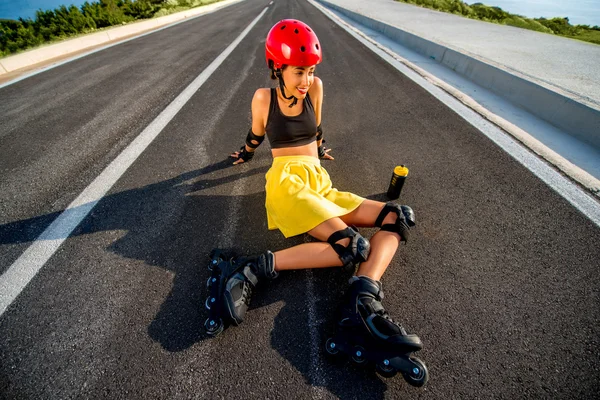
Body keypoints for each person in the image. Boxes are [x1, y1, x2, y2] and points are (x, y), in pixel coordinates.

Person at [206, 19, 427, 384]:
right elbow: (257, 134)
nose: (306, 80)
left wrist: (321, 149)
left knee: (397, 217)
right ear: (277, 67)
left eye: (310, 71)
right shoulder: (264, 98)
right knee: (350, 247)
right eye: (299, 72)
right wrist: (244, 154)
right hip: (287, 183)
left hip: (318, 181)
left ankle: (362, 298)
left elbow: (317, 127)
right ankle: (253, 269)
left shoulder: (316, 89)